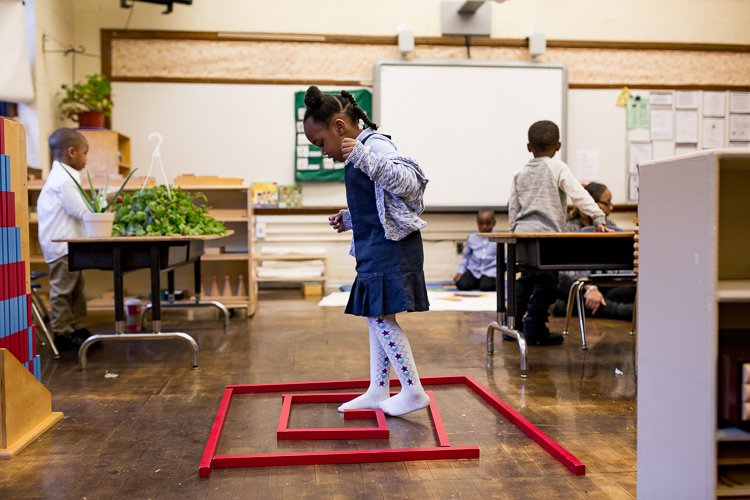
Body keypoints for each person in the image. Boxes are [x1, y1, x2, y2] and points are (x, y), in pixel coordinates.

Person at [302, 86, 430, 417]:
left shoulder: (375, 146)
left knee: (379, 316)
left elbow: (409, 184)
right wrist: (350, 218)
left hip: (393, 249)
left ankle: (413, 390)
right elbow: (379, 201)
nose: (323, 152)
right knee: (375, 317)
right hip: (373, 246)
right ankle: (378, 389)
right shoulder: (359, 152)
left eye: (321, 143)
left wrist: (364, 157)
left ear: (340, 127)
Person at [507, 120, 611, 346]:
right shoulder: (558, 168)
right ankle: (535, 329)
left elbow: (513, 207)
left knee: (525, 279)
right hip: (548, 237)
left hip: (523, 235)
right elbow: (579, 194)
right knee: (547, 282)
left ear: (528, 147)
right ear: (558, 146)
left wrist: (513, 232)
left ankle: (511, 326)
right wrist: (598, 216)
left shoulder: (519, 173)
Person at [37, 128, 92, 350]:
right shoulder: (64, 180)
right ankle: (61, 332)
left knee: (76, 289)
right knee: (63, 290)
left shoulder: (65, 176)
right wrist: (101, 206)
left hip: (70, 245)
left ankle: (75, 327)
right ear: (71, 152)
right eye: (84, 153)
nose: (86, 159)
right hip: (61, 247)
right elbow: (80, 210)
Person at [554, 182, 636, 320]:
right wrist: (590, 288)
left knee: (629, 291)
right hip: (578, 283)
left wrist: (597, 289)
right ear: (592, 203)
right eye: (607, 202)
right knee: (559, 281)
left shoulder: (609, 226)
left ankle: (569, 307)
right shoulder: (569, 228)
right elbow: (566, 269)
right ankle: (619, 310)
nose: (612, 207)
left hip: (601, 283)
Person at [453, 209, 497, 291]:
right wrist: (460, 271)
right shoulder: (472, 237)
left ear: (493, 223)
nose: (484, 226)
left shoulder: (498, 238)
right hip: (474, 270)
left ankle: (483, 282)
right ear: (477, 223)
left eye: (487, 223)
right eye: (481, 224)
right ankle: (476, 282)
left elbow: (503, 258)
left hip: (490, 271)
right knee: (462, 285)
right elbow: (466, 256)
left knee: (486, 287)